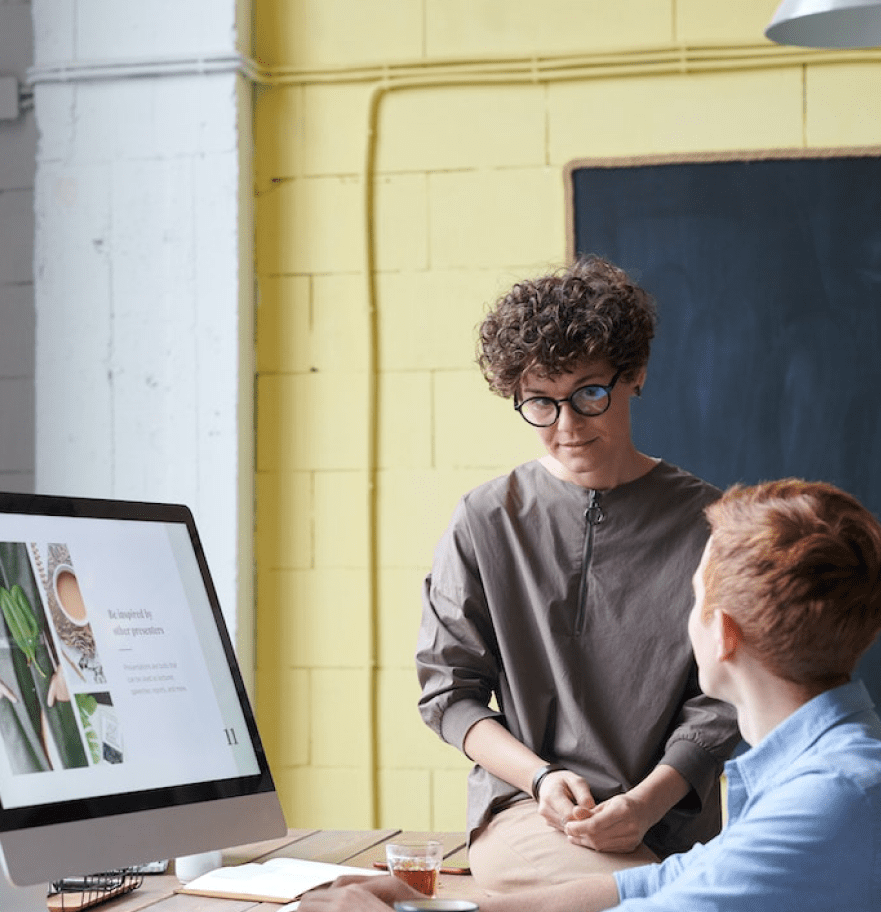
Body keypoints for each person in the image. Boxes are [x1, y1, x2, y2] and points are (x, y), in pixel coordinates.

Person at [303, 479, 881, 911]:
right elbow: (652, 884)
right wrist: (429, 905)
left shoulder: (832, 801)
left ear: (723, 633)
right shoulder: (825, 775)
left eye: (693, 597)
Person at [416, 256, 739, 890]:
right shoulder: (486, 519)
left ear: (635, 373)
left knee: (676, 894)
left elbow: (721, 701)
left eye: (590, 394)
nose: (566, 427)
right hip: (529, 813)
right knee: (645, 902)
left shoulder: (710, 523)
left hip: (672, 821)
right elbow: (449, 694)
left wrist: (648, 801)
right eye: (540, 401)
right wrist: (538, 777)